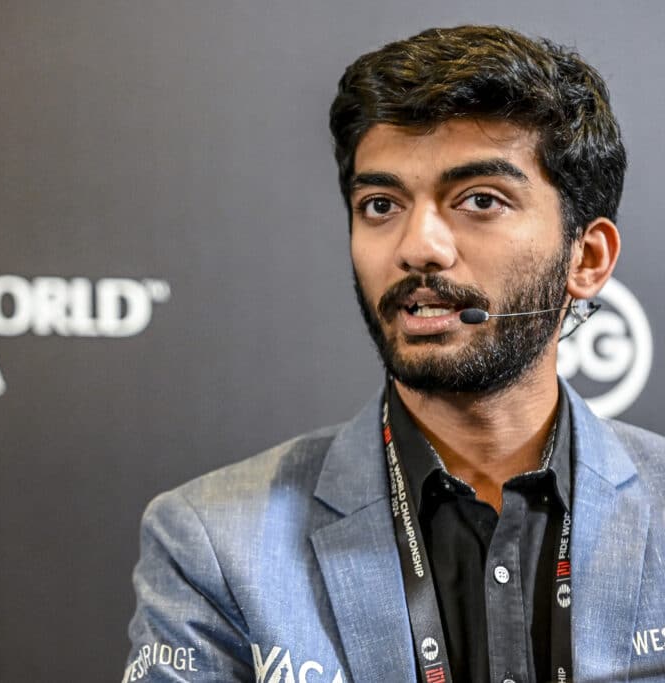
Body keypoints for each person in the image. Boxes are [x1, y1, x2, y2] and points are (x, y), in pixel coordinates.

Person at [122, 25, 665, 683]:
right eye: (380, 204)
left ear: (588, 257)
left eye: (479, 201)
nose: (419, 246)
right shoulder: (212, 542)